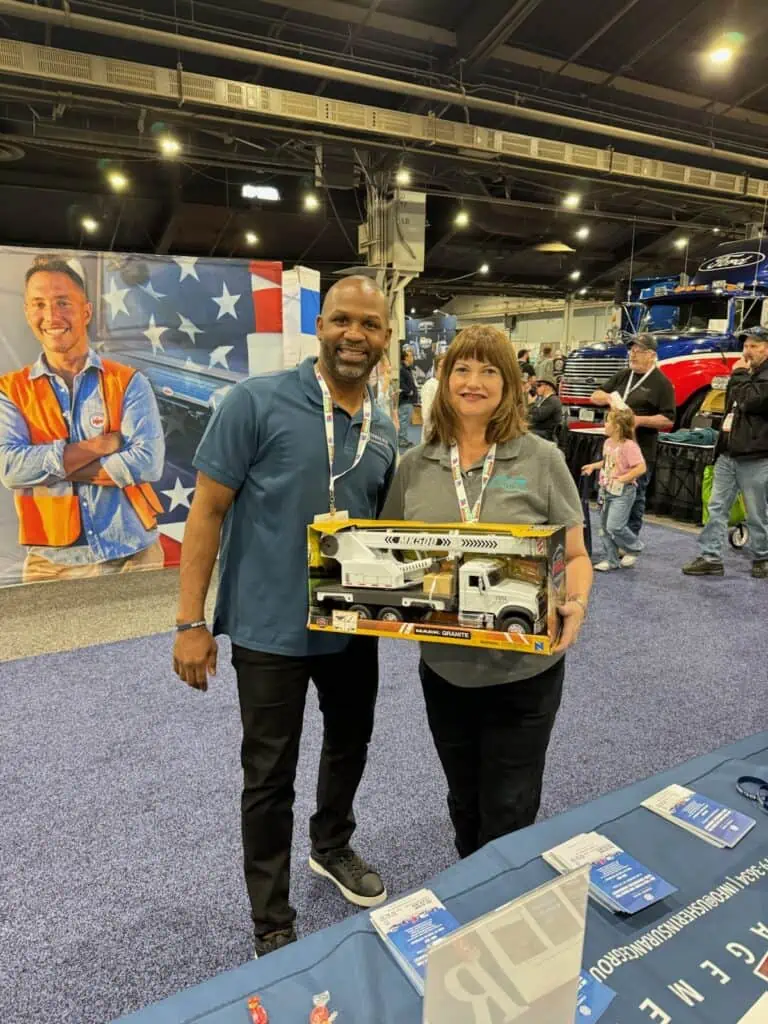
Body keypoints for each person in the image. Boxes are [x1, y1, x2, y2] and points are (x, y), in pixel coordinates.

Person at [172, 275, 397, 958]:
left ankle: (332, 844)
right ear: (321, 327)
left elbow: (393, 533)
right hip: (271, 630)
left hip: (354, 625)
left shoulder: (384, 426)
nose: (354, 335)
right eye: (342, 321)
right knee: (268, 774)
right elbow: (206, 512)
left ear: (386, 338)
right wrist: (190, 621)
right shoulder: (255, 401)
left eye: (370, 325)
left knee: (350, 742)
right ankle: (271, 916)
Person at [381, 325, 592, 859]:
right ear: (445, 378)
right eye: (462, 369)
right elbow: (389, 552)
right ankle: (474, 895)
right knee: (464, 800)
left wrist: (578, 603)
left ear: (510, 384)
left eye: (489, 370)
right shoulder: (415, 465)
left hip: (524, 673)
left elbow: (576, 555)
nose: (473, 382)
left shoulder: (542, 459)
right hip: (446, 669)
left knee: (511, 808)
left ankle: (505, 904)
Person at [0, 254, 165, 583]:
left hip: (133, 553)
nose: (51, 316)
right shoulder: (11, 390)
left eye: (63, 302)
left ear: (86, 311)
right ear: (27, 312)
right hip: (50, 562)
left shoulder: (129, 381)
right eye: (39, 304)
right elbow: (10, 469)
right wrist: (98, 446)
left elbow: (147, 463)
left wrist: (53, 468)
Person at [682, 328, 768, 579]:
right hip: (728, 453)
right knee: (716, 506)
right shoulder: (744, 374)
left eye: (754, 346)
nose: (747, 351)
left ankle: (762, 556)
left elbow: (752, 401)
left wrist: (739, 373)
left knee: (756, 511)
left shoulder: (753, 375)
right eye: (746, 346)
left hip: (756, 456)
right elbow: (732, 406)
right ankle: (710, 557)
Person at [589, 334, 675, 535]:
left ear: (652, 355)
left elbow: (668, 420)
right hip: (614, 448)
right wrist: (610, 398)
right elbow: (595, 395)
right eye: (632, 350)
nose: (633, 355)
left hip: (640, 449)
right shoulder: (623, 375)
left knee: (634, 496)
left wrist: (638, 420)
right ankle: (612, 537)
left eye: (639, 351)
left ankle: (630, 541)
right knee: (609, 492)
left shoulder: (661, 383)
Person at [582, 408, 647, 572]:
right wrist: (593, 466)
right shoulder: (608, 443)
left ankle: (635, 547)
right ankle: (611, 559)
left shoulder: (630, 446)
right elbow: (608, 463)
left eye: (608, 421)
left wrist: (624, 478)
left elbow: (641, 467)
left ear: (617, 426)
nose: (605, 424)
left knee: (615, 526)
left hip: (623, 492)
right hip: (606, 490)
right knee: (604, 528)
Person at [528, 376, 563, 443]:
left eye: (539, 385)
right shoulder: (545, 400)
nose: (536, 388)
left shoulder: (552, 400)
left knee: (521, 433)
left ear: (548, 387)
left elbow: (536, 416)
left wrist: (531, 403)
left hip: (547, 434)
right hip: (541, 431)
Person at [420, 351, 445, 441]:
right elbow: (426, 414)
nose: (445, 369)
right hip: (434, 433)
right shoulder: (430, 385)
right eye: (442, 366)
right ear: (436, 368)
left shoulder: (448, 385)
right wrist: (432, 433)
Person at [398, 345, 419, 450]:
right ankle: (401, 440)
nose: (413, 358)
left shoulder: (407, 369)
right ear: (406, 357)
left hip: (409, 401)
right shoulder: (402, 370)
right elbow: (400, 383)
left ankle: (403, 439)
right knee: (404, 420)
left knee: (405, 421)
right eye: (411, 356)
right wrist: (409, 391)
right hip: (405, 401)